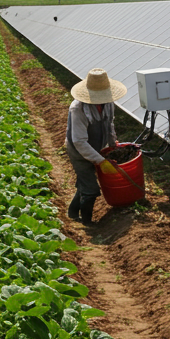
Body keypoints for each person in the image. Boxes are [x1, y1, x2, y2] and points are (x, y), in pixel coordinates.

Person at [66, 68, 126, 224]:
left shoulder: (108, 103)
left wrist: (113, 144)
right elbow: (79, 141)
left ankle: (72, 212)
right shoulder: (78, 109)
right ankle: (87, 223)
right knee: (91, 190)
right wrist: (100, 160)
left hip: (96, 146)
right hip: (78, 152)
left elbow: (109, 123)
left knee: (85, 183)